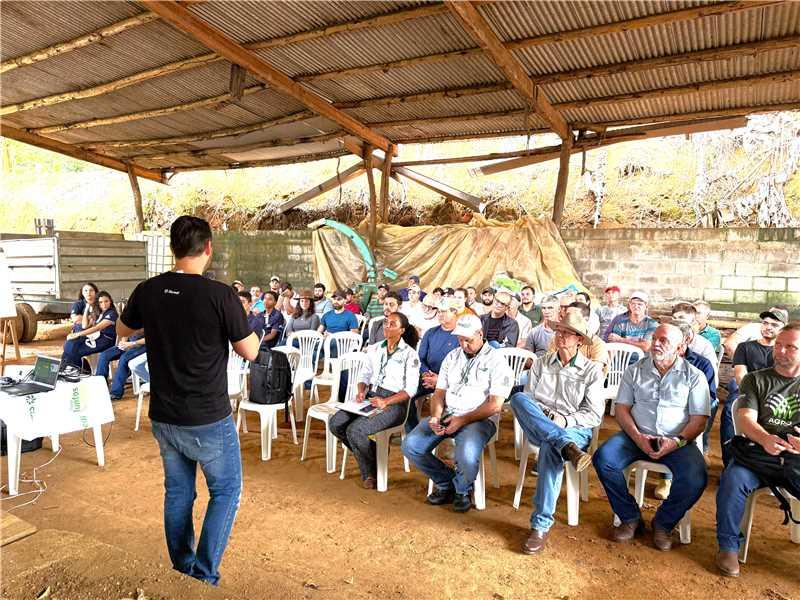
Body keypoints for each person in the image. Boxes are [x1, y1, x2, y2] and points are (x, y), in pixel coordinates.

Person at [117, 215, 259, 586]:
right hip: (207, 417)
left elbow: (122, 329)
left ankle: (183, 568)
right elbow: (251, 351)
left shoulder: (148, 289)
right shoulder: (220, 295)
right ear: (208, 248)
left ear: (172, 249)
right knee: (226, 491)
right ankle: (203, 574)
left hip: (164, 414)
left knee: (179, 492)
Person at [592, 324, 710, 551]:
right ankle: (630, 517)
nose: (656, 343)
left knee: (696, 478)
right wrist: (637, 437)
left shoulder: (694, 376)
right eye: (654, 338)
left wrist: (675, 442)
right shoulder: (634, 370)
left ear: (680, 347)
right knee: (604, 459)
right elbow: (623, 408)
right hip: (635, 436)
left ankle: (664, 523)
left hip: (678, 441)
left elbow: (699, 420)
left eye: (663, 340)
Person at [510, 312, 605, 554]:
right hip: (542, 425)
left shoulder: (592, 371)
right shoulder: (542, 362)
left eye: (567, 332)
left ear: (579, 340)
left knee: (551, 448)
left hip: (574, 430)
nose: (560, 336)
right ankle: (564, 445)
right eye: (558, 331)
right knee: (518, 397)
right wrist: (547, 418)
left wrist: (565, 420)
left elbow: (593, 415)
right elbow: (530, 400)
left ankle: (540, 526)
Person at [402, 314, 514, 513]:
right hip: (449, 414)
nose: (463, 345)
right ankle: (447, 482)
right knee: (411, 446)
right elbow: (439, 394)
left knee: (467, 455)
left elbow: (495, 405)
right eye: (460, 340)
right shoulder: (452, 357)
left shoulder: (497, 361)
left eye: (468, 340)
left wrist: (462, 420)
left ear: (480, 334)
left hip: (478, 419)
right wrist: (436, 416)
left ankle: (463, 490)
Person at [714, 323, 800, 578]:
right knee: (732, 479)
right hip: (759, 454)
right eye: (778, 345)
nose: (781, 351)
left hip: (795, 460)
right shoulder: (756, 379)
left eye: (791, 347)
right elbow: (745, 420)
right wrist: (766, 438)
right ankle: (728, 546)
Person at [329, 312, 420, 489]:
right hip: (372, 396)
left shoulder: (410, 355)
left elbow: (410, 390)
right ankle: (376, 453)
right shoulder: (376, 348)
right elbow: (365, 374)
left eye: (392, 324)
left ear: (401, 330)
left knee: (356, 430)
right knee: (336, 423)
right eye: (386, 322)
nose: (387, 326)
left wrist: (386, 402)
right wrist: (361, 390)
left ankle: (369, 473)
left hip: (395, 403)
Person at [721, 307, 787, 466]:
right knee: (731, 409)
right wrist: (756, 397)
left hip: (777, 395)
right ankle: (731, 461)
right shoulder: (745, 347)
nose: (768, 327)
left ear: (783, 328)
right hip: (747, 391)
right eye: (765, 323)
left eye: (774, 324)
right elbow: (740, 375)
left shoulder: (785, 351)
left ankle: (779, 461)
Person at [410, 298, 461, 432]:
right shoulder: (430, 332)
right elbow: (420, 359)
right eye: (438, 311)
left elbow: (462, 367)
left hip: (452, 382)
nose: (440, 314)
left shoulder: (461, 335)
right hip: (428, 377)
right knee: (405, 394)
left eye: (444, 311)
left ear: (454, 311)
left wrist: (440, 380)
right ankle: (412, 430)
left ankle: (442, 431)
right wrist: (426, 374)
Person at [61, 291, 118, 370]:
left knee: (73, 350)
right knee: (70, 344)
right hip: (96, 337)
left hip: (106, 341)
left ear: (110, 301)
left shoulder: (112, 314)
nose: (104, 304)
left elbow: (97, 328)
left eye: (106, 301)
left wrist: (77, 334)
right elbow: (84, 326)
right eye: (101, 302)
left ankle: (76, 371)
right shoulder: (100, 313)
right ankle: (69, 370)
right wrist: (86, 309)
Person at [545, 302, 608, 372]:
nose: (569, 319)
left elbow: (595, 371)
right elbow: (548, 363)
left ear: (586, 320)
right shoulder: (557, 339)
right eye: (567, 315)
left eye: (574, 317)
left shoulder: (597, 343)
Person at [95, 330, 147, 401]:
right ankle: (100, 387)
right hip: (129, 344)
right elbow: (125, 331)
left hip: (143, 346)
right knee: (104, 355)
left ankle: (116, 393)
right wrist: (124, 344)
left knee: (123, 358)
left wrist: (132, 344)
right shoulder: (129, 320)